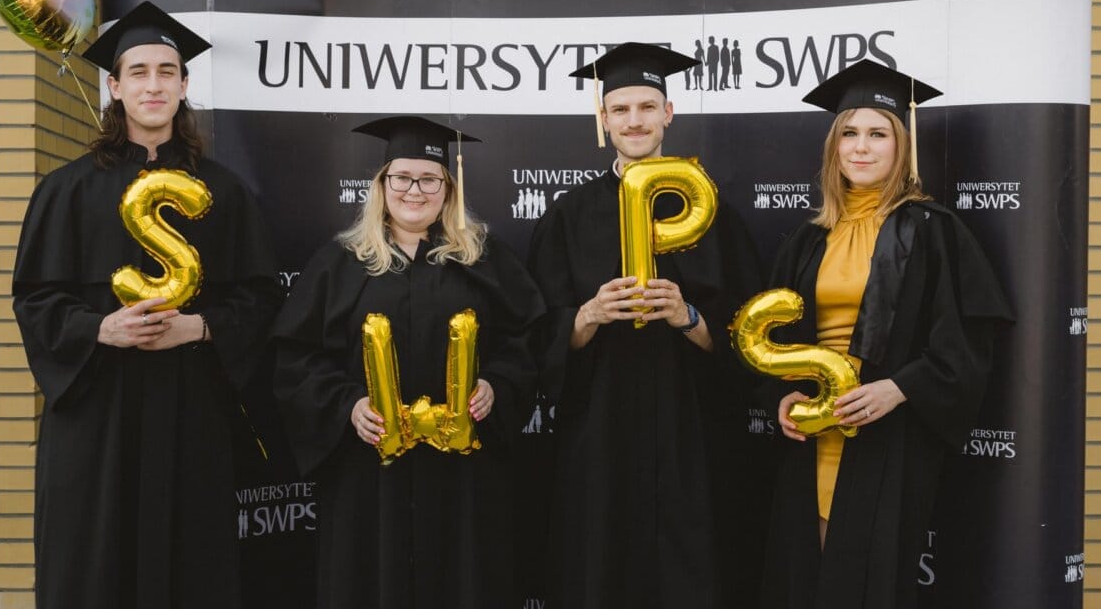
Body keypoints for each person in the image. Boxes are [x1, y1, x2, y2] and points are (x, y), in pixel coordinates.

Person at [11, 1, 284, 609]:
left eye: (167, 72)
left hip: (190, 412)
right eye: (138, 72)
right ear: (114, 86)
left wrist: (202, 326)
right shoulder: (65, 191)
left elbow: (263, 298)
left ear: (185, 86)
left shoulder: (225, 192)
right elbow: (34, 299)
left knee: (190, 568)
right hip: (96, 419)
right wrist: (97, 329)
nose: (153, 85)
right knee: (92, 565)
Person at [760, 59, 1014, 609]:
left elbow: (967, 338)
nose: (862, 147)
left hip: (886, 436)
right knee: (806, 571)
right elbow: (776, 338)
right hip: (814, 434)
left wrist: (898, 389)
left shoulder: (932, 230)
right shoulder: (807, 239)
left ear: (902, 146)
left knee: (868, 579)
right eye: (849, 133)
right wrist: (781, 395)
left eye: (878, 134)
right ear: (833, 147)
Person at [271, 116, 543, 608]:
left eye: (429, 179)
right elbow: (295, 357)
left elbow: (527, 341)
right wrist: (346, 406)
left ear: (447, 188)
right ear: (382, 185)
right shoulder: (341, 262)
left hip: (463, 477)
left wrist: (498, 385)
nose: (414, 191)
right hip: (369, 475)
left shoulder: (484, 258)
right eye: (402, 178)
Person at [528, 42, 761, 609]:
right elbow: (534, 331)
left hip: (692, 428)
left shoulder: (711, 211)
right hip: (600, 430)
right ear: (602, 119)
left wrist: (691, 318)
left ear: (668, 114)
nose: (634, 120)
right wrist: (586, 317)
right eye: (621, 109)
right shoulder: (569, 213)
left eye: (646, 107)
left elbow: (751, 331)